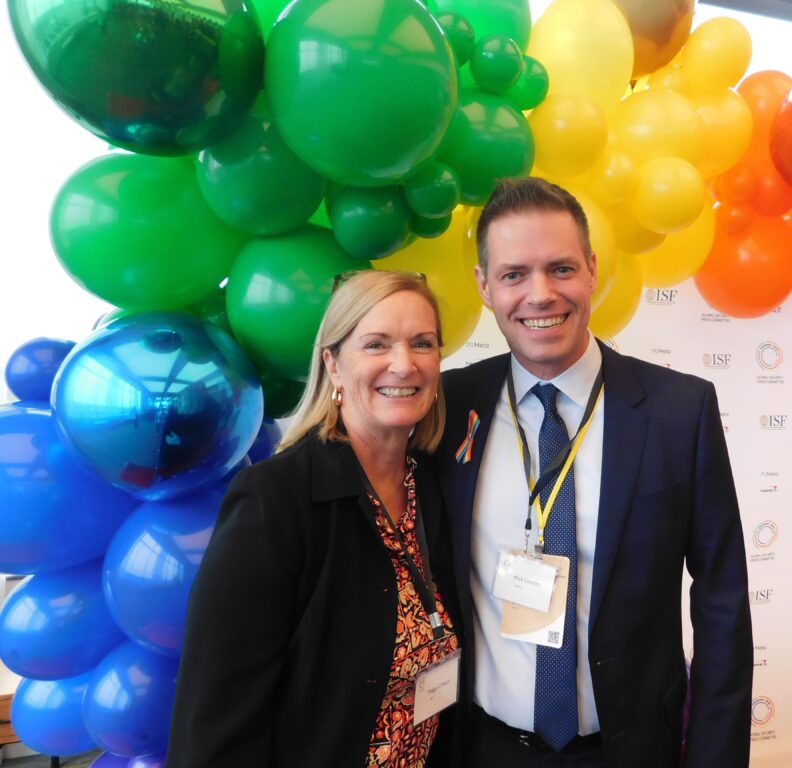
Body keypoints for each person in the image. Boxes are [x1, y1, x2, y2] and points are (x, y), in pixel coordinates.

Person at [436, 178, 753, 768]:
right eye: (513, 275)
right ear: (484, 286)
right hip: (486, 749)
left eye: (560, 269)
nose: (540, 295)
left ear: (591, 270)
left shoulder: (679, 411)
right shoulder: (450, 408)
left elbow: (723, 600)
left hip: (632, 749)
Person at [167, 270, 460, 768]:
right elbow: (215, 719)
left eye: (422, 343)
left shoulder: (430, 487)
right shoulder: (275, 501)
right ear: (334, 365)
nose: (403, 363)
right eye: (376, 344)